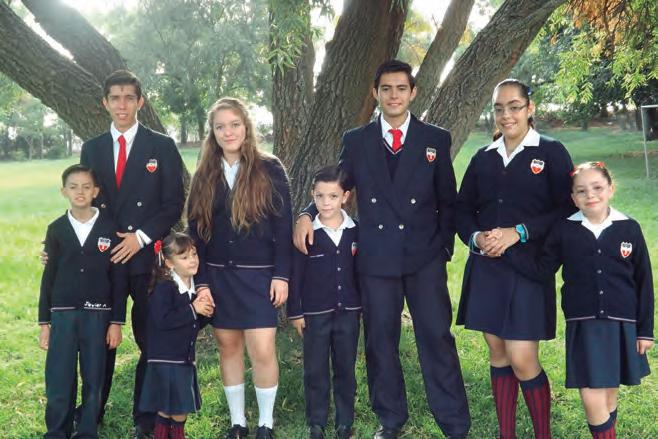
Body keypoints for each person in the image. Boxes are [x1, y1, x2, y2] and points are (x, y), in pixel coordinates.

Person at [294, 60, 470, 439]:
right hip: (376, 259)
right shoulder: (357, 140)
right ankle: (390, 419)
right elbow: (337, 185)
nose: (393, 95)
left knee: (436, 337)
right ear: (375, 93)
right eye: (386, 89)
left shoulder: (435, 139)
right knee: (380, 341)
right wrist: (307, 213)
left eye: (401, 88)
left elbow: (448, 200)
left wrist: (442, 249)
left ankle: (454, 422)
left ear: (413, 92)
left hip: (424, 257)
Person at [455, 78, 575, 439]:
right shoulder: (483, 157)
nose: (506, 115)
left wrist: (519, 232)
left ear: (530, 108)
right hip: (487, 266)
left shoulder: (551, 152)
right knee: (498, 353)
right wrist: (477, 238)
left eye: (514, 107)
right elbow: (462, 209)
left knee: (522, 358)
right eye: (499, 108)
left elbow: (567, 208)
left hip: (529, 268)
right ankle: (506, 434)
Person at [504, 162, 653, 438]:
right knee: (591, 394)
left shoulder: (629, 228)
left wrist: (645, 331)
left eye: (597, 187)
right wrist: (507, 249)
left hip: (622, 324)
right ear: (573, 198)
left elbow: (644, 281)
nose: (590, 195)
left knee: (608, 394)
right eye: (581, 191)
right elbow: (542, 269)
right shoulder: (565, 229)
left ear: (611, 189)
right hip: (584, 325)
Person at [79, 69, 187, 437]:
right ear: (105, 103)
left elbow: (173, 203)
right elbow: (84, 202)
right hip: (106, 259)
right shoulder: (92, 148)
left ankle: (146, 417)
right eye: (115, 98)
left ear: (140, 101)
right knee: (99, 341)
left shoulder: (162, 146)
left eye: (129, 97)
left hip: (145, 257)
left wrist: (139, 238)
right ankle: (90, 412)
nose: (122, 104)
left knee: (150, 338)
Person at [187, 97, 293, 439]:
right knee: (228, 347)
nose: (228, 132)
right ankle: (238, 423)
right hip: (218, 277)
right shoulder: (204, 173)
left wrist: (281, 275)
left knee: (262, 349)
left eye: (234, 124)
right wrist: (201, 282)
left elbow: (284, 228)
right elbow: (195, 235)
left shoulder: (270, 168)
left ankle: (265, 423)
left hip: (260, 277)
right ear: (212, 133)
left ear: (246, 127)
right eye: (220, 127)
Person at [39, 164, 127, 438]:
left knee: (94, 376)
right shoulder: (56, 229)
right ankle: (57, 430)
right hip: (63, 314)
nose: (80, 192)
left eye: (86, 187)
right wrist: (44, 323)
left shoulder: (110, 229)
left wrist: (116, 321)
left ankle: (88, 430)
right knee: (59, 377)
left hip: (98, 315)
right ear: (63, 191)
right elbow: (48, 278)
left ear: (96, 191)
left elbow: (119, 280)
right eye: (73, 187)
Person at [288, 166, 361, 439]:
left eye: (333, 196)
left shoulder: (356, 231)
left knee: (345, 367)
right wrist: (295, 312)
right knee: (315, 369)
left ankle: (345, 421)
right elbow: (296, 274)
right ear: (312, 195)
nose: (326, 202)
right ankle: (316, 421)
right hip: (314, 314)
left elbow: (361, 273)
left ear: (345, 197)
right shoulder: (306, 234)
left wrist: (363, 307)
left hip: (349, 313)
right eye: (320, 196)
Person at [139, 232, 214, 439]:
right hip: (166, 360)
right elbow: (163, 320)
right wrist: (193, 309)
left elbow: (191, 323)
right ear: (169, 263)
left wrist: (206, 313)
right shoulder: (165, 287)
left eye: (194, 254)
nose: (192, 260)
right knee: (176, 409)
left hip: (182, 358)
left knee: (171, 409)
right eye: (184, 257)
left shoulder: (192, 288)